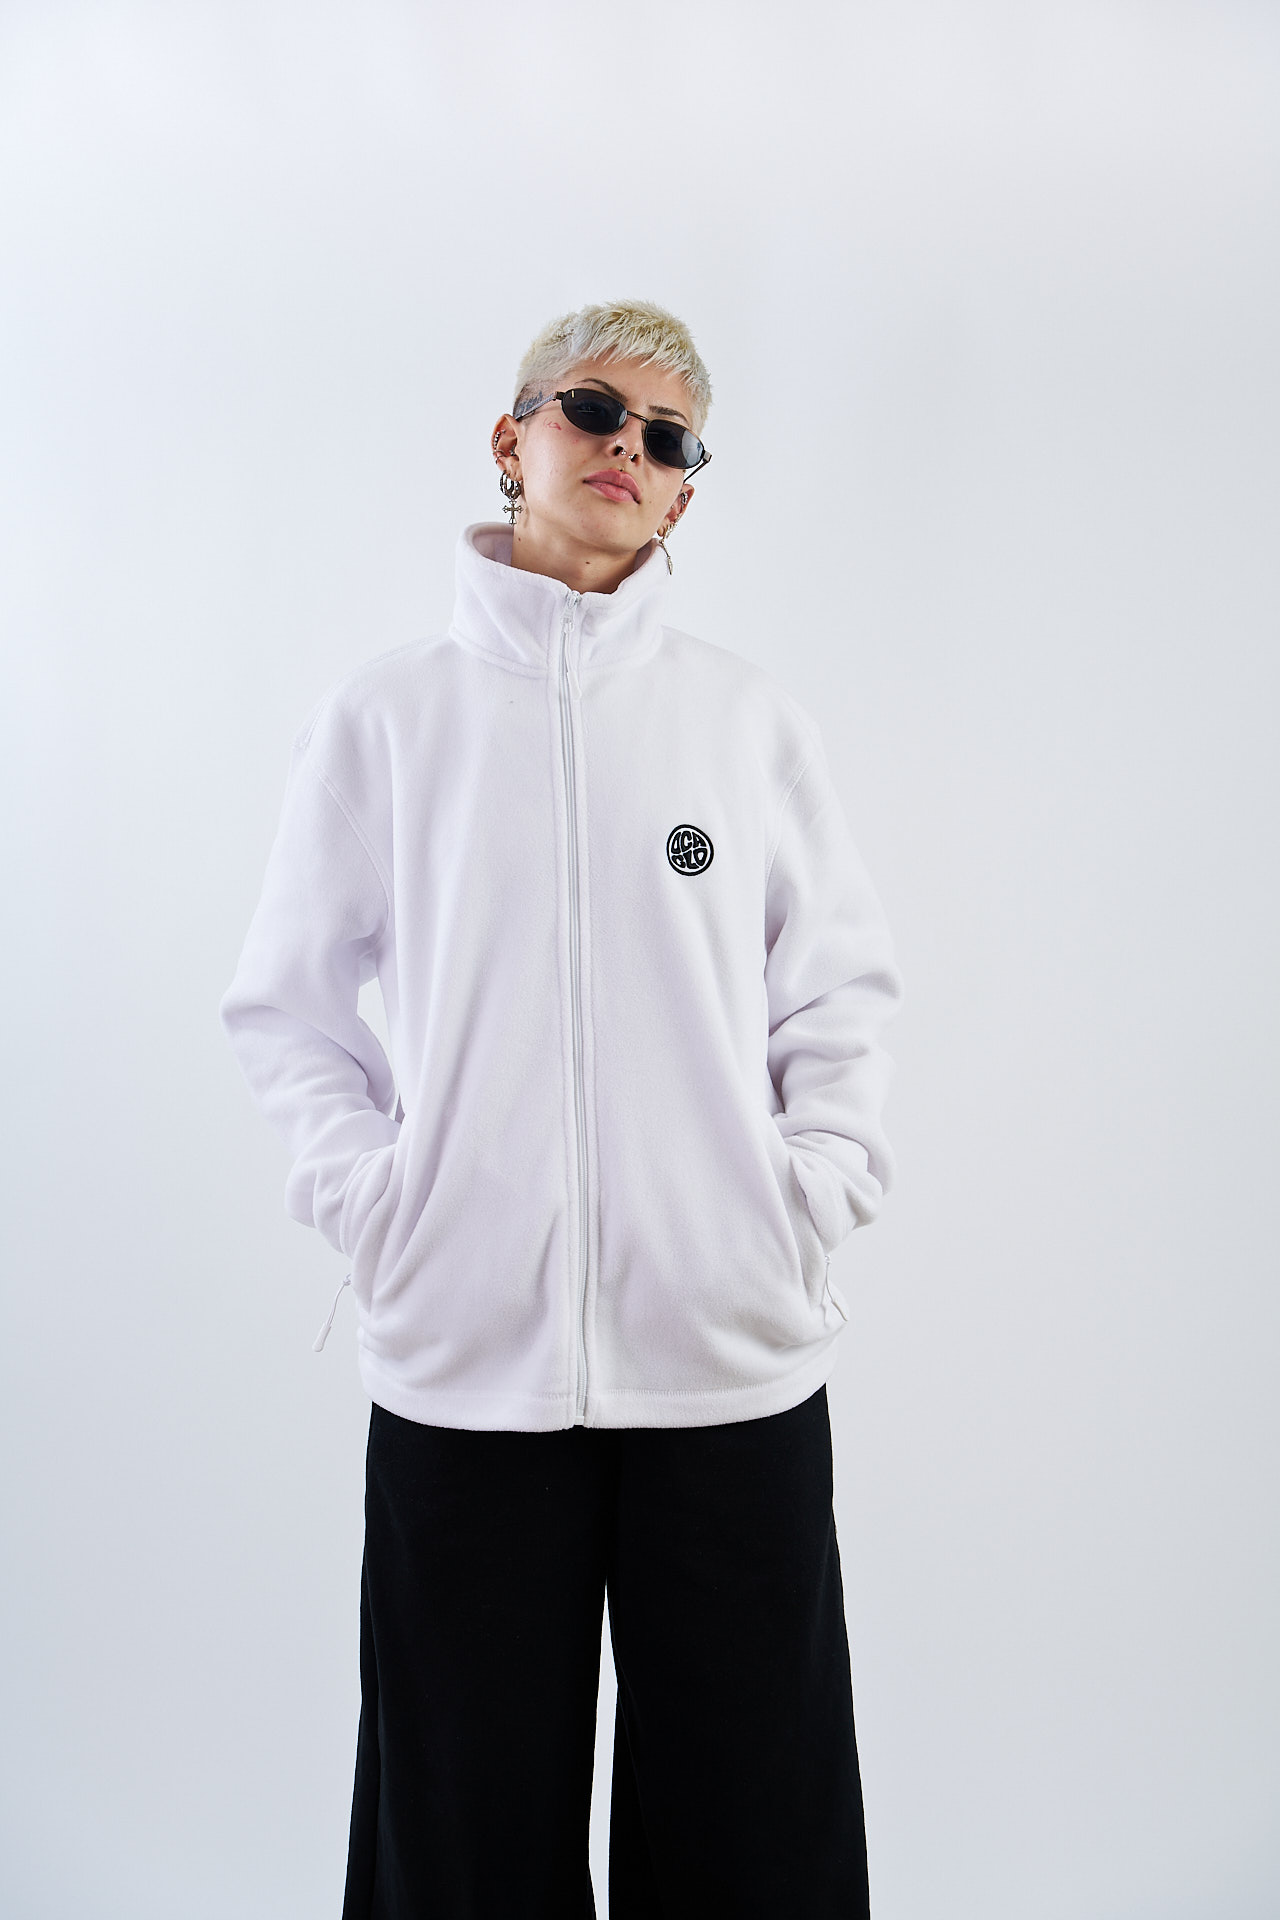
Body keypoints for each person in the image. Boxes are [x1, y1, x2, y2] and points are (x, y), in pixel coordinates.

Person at [219, 298, 903, 1918]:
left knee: (755, 1833)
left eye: (669, 440)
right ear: (511, 437)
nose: (628, 449)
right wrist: (382, 1205)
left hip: (726, 1359)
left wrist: (800, 1198)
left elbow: (840, 994)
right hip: (467, 1366)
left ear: (683, 497)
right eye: (595, 410)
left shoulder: (743, 724)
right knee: (461, 1832)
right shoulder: (389, 721)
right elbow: (287, 1008)